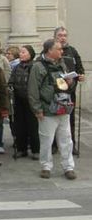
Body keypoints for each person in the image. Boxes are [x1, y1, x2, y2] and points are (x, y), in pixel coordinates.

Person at [28, 39, 76, 180]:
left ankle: (68, 167)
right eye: (59, 49)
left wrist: (70, 83)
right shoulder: (38, 66)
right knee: (46, 140)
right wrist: (37, 109)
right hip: (47, 110)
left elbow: (68, 87)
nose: (62, 51)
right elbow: (33, 90)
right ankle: (46, 166)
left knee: (66, 139)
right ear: (49, 50)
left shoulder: (62, 64)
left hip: (63, 108)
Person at [54, 27, 85, 154]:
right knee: (54, 118)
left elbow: (80, 69)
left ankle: (71, 145)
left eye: (65, 35)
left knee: (70, 119)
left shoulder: (72, 51)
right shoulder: (51, 51)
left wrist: (81, 75)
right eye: (60, 35)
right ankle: (54, 145)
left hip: (70, 92)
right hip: (55, 92)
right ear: (55, 37)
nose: (63, 37)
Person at [9, 45, 39, 160]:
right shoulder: (17, 67)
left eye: (23, 52)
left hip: (30, 100)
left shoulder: (34, 66)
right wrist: (10, 86)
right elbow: (11, 80)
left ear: (30, 54)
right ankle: (21, 149)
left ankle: (36, 149)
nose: (20, 54)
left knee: (33, 125)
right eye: (20, 52)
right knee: (19, 125)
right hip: (19, 99)